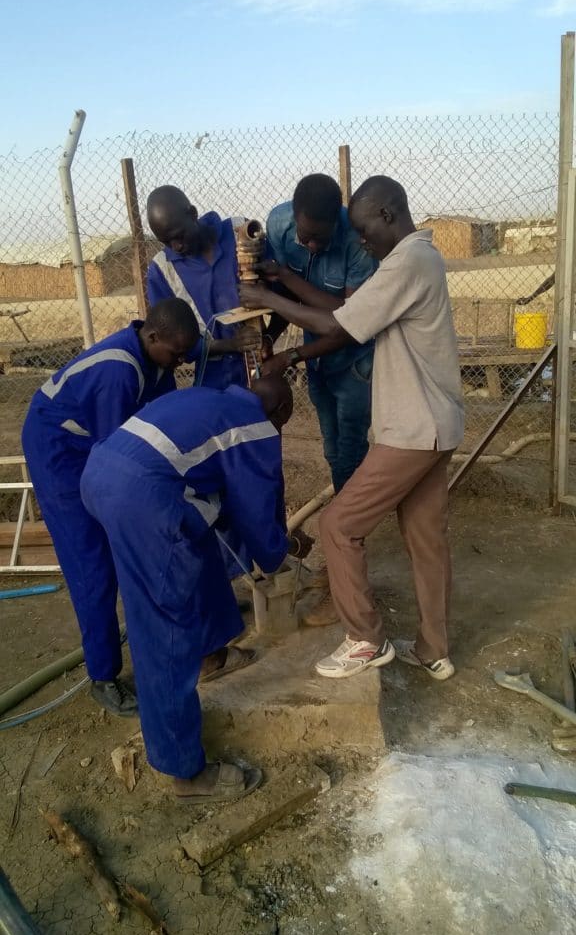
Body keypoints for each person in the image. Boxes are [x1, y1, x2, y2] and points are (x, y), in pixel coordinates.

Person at [240, 176, 465, 681]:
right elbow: (338, 312)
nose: (361, 242)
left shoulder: (406, 262)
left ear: (387, 215)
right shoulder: (420, 259)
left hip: (410, 430)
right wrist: (280, 281)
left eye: (364, 231)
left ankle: (365, 639)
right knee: (427, 536)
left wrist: (267, 298)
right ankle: (434, 648)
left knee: (337, 526)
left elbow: (337, 324)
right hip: (436, 425)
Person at [80, 376, 313, 802]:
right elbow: (258, 519)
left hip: (102, 475)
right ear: (280, 412)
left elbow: (227, 502)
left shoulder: (212, 397)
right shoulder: (256, 426)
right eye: (283, 423)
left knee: (199, 545)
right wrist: (286, 546)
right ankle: (184, 771)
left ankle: (210, 656)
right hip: (144, 500)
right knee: (164, 626)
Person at [21, 299, 199, 717]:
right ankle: (103, 676)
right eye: (175, 356)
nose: (179, 363)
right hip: (60, 451)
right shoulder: (117, 372)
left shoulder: (157, 354)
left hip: (92, 443)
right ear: (152, 337)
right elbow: (119, 460)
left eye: (184, 357)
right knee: (92, 564)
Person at [259, 174, 378, 496]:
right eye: (307, 237)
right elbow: (290, 298)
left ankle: (347, 526)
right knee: (332, 447)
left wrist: (291, 355)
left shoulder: (356, 240)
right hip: (317, 356)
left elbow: (349, 321)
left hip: (356, 359)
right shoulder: (279, 223)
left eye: (321, 239)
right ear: (295, 216)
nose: (313, 246)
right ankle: (348, 512)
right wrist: (269, 336)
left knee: (350, 449)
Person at [146, 185, 262, 388]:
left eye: (179, 236)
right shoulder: (162, 269)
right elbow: (170, 337)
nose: (176, 247)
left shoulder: (240, 232)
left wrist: (266, 338)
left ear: (192, 214)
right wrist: (230, 345)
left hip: (257, 363)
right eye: (166, 242)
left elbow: (276, 290)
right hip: (212, 376)